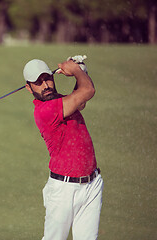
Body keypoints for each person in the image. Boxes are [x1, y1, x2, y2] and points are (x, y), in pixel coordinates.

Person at [23, 59, 104, 240]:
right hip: (64, 190)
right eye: (38, 82)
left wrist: (82, 72)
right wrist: (75, 70)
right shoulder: (45, 110)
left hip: (92, 184)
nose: (45, 85)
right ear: (29, 88)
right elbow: (88, 91)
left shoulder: (60, 100)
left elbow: (80, 101)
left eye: (47, 78)